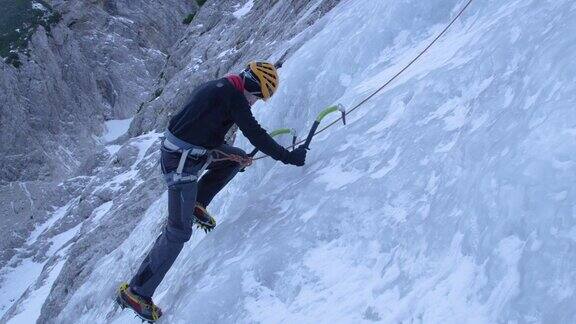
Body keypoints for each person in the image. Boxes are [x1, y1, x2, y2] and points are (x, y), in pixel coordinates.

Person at [116, 61, 307, 322]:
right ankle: (137, 292)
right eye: (258, 96)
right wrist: (288, 157)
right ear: (251, 86)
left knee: (236, 157)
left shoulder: (224, 86)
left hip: (190, 151)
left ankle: (199, 201)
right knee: (177, 232)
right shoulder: (233, 97)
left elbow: (205, 128)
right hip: (181, 163)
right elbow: (256, 135)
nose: (255, 102)